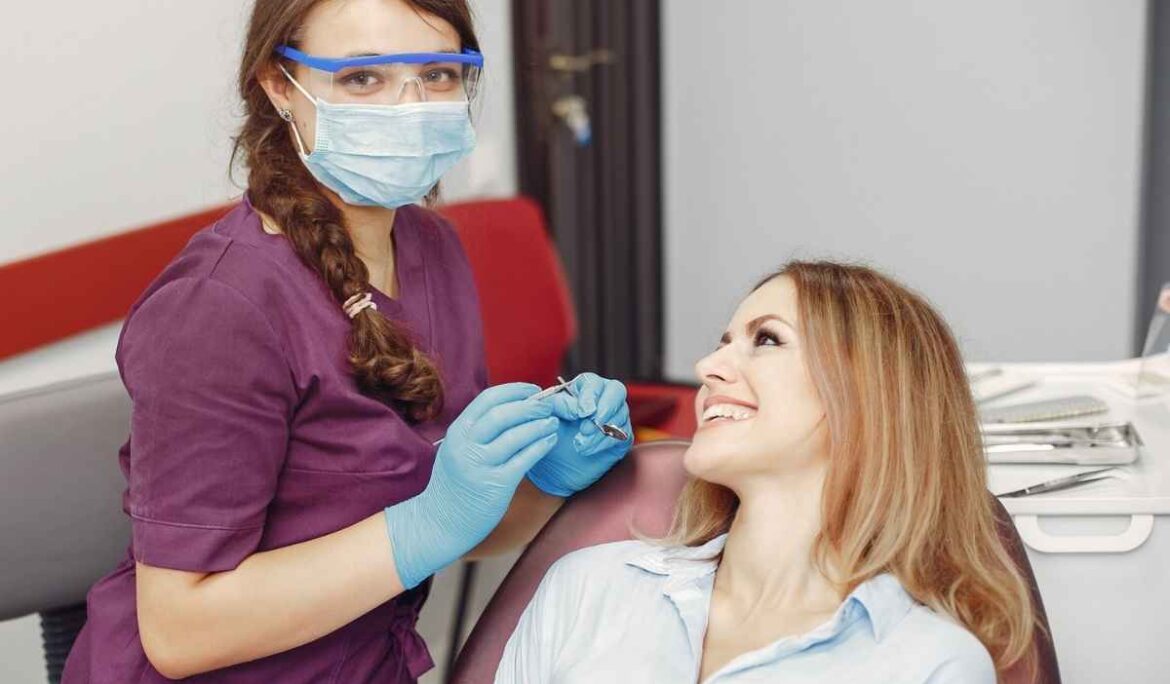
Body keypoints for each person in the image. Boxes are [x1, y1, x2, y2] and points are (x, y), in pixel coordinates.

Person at [61, 1, 631, 682]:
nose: (409, 107)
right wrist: (427, 523)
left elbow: (448, 529)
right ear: (279, 86)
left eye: (438, 74)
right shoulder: (219, 307)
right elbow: (179, 632)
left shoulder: (431, 248)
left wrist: (542, 482)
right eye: (363, 78)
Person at [497, 261, 1038, 683]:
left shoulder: (928, 662)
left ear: (870, 396)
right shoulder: (587, 586)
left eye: (768, 339)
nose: (707, 368)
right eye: (723, 344)